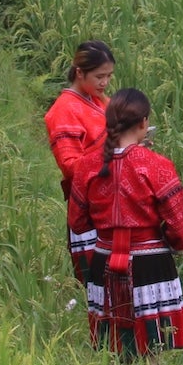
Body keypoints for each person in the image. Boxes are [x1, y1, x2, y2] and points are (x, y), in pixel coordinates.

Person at [77, 87, 183, 365]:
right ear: (143, 123)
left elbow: (78, 223)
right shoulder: (156, 166)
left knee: (114, 347)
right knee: (153, 348)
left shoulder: (87, 166)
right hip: (150, 264)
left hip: (103, 260)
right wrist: (170, 242)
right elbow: (179, 227)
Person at [44, 41, 114, 340]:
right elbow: (71, 166)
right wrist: (110, 147)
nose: (105, 82)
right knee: (102, 288)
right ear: (79, 72)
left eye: (109, 76)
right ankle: (105, 348)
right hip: (88, 209)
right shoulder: (64, 111)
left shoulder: (101, 103)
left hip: (112, 202)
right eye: (99, 76)